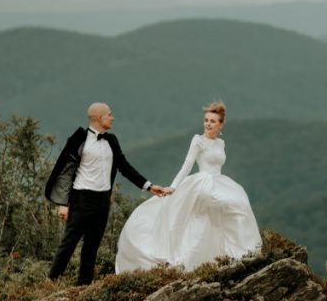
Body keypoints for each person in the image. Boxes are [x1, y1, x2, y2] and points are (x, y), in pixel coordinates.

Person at [115, 101, 261, 273]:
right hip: (202, 183)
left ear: (221, 124)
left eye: (212, 121)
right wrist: (173, 187)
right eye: (206, 120)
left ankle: (235, 254)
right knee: (200, 222)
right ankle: (192, 261)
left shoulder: (221, 143)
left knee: (238, 206)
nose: (208, 123)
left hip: (220, 181)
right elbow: (187, 165)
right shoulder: (198, 140)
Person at [44, 102, 172, 285]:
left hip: (103, 200)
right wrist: (63, 204)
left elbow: (125, 168)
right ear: (98, 117)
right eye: (109, 115)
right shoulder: (79, 139)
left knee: (92, 245)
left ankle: (83, 285)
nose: (112, 118)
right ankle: (51, 281)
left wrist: (150, 186)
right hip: (82, 198)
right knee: (69, 242)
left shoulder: (111, 140)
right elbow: (65, 171)